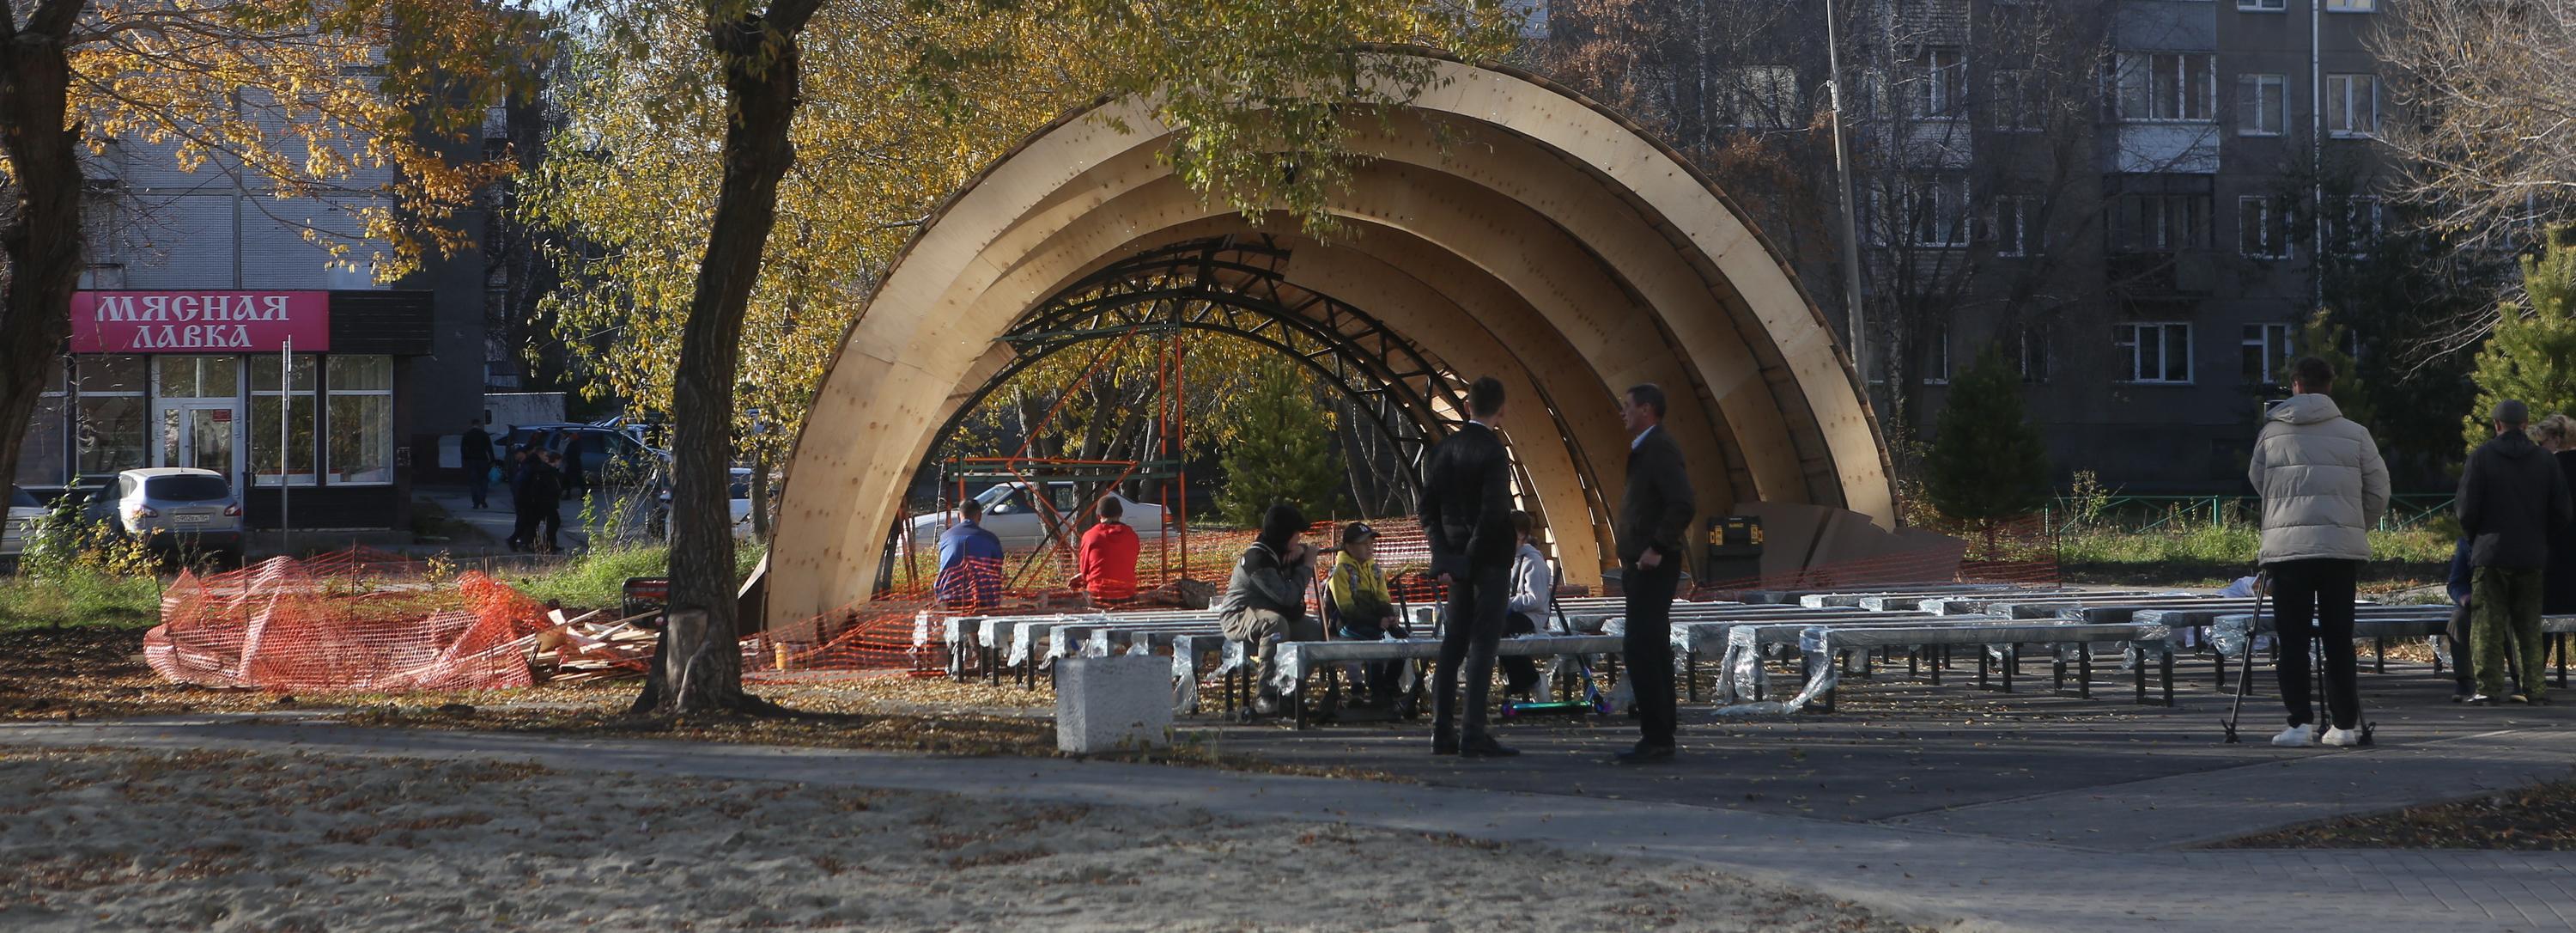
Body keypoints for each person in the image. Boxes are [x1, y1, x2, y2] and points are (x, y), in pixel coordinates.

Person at [2247, 357, 2388, 747]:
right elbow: (2379, 491)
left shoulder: (2272, 434)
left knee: (2291, 639)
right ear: (2331, 385)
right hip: (2339, 554)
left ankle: (2299, 724)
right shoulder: (2356, 434)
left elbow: (2260, 483)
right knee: (2338, 638)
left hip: (2287, 553)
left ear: (2295, 385)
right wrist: (2352, 524)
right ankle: (2343, 726)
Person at [1420, 376, 1520, 758]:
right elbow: (1493, 511)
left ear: (1466, 408)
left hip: (1457, 564)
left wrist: (1446, 557)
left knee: (1453, 643)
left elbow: (1427, 509)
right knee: (1483, 645)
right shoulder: (1494, 453)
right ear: (1502, 410)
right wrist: (1470, 559)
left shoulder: (1444, 450)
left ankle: (1440, 729)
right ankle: (1473, 731)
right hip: (1489, 561)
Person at [2459, 399, 2574, 705]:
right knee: (2528, 624)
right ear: (2526, 425)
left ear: (2496, 424)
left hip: (2491, 552)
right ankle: (2534, 687)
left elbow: (2466, 510)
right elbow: (2562, 511)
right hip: (2532, 554)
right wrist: (2541, 536)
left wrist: (2476, 539)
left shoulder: (2481, 458)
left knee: (2488, 625)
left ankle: (2487, 687)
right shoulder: (2545, 461)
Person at [1613, 383, 1692, 765]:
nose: (1622, 412)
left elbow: (1682, 503)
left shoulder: (1658, 448)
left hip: (1651, 566)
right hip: (1642, 565)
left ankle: (1657, 735)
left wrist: (1656, 548)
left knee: (1640, 646)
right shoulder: (1646, 448)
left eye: (1627, 406)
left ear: (1647, 409)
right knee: (1652, 644)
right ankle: (1662, 730)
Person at [1218, 503, 1323, 716]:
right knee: (1275, 624)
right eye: (1296, 535)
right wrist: (1306, 566)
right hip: (1239, 615)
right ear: (1283, 535)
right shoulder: (1258, 560)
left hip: (1268, 612)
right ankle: (1266, 695)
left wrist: (1301, 552)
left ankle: (1290, 689)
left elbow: (1290, 604)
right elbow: (1287, 597)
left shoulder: (1276, 553)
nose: (1299, 540)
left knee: (1314, 631)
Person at [1327, 521, 1412, 710]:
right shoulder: (1340, 572)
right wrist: (1377, 621)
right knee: (1375, 638)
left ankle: (1389, 683)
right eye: (1363, 544)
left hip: (1375, 623)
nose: (1369, 547)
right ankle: (1376, 688)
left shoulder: (1375, 570)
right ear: (1349, 547)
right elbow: (1346, 609)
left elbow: (1383, 598)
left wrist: (1389, 617)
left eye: (1371, 543)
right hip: (1348, 624)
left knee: (1403, 639)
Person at [1500, 509, 1548, 698]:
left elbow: (1534, 599)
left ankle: (1529, 680)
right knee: (1494, 628)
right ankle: (1519, 681)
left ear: (1523, 536)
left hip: (1533, 615)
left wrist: (1507, 604)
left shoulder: (1533, 561)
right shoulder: (1510, 558)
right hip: (1515, 611)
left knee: (1503, 629)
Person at [2537, 414, 2576, 623]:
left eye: (2541, 442)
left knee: (2547, 619)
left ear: (2555, 439)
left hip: (2555, 555)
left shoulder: (2548, 468)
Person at [933, 499, 1005, 610]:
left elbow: (942, 564)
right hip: (982, 597)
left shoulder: (945, 537)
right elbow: (997, 570)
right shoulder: (990, 539)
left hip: (948, 595)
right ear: (979, 516)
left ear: (959, 516)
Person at [1074, 496, 1142, 604]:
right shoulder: (1132, 536)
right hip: (1127, 594)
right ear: (1120, 514)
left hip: (1098, 595)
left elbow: (1084, 570)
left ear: (1098, 516)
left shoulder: (1090, 536)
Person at [2447, 535, 2476, 702]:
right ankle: (2465, 680)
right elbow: (2455, 582)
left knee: (2508, 621)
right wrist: (2465, 598)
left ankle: (2519, 679)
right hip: (2475, 599)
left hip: (2507, 600)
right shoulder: (2466, 543)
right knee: (2458, 620)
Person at [531, 450, 567, 553]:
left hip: (545, 501)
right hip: (546, 502)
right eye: (559, 461)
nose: (559, 463)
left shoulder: (547, 470)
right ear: (555, 460)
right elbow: (552, 487)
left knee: (552, 523)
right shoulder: (548, 471)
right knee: (553, 523)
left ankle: (549, 545)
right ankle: (548, 546)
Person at [505, 446, 537, 552]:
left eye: (517, 454)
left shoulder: (525, 465)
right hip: (523, 497)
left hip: (523, 496)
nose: (515, 456)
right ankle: (516, 540)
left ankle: (521, 541)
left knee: (525, 520)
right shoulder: (523, 466)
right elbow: (519, 482)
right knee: (525, 520)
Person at [461, 419, 494, 509]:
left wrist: (465, 459)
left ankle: (476, 502)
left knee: (474, 482)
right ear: (479, 424)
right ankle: (482, 499)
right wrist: (492, 461)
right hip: (483, 460)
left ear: (472, 424)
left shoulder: (467, 435)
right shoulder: (484, 435)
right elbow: (489, 449)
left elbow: (463, 449)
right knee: (484, 481)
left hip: (471, 461)